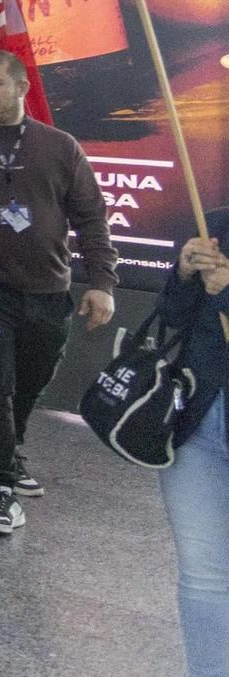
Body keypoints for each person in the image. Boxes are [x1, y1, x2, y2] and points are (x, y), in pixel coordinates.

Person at [0, 48, 116, 535]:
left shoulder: (60, 145)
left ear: (22, 88)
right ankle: (0, 485)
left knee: (29, 383)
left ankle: (10, 447)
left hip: (49, 287)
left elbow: (91, 218)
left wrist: (103, 283)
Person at [160, 211, 229, 676]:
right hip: (199, 423)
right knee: (204, 577)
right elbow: (173, 319)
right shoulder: (217, 225)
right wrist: (186, 272)